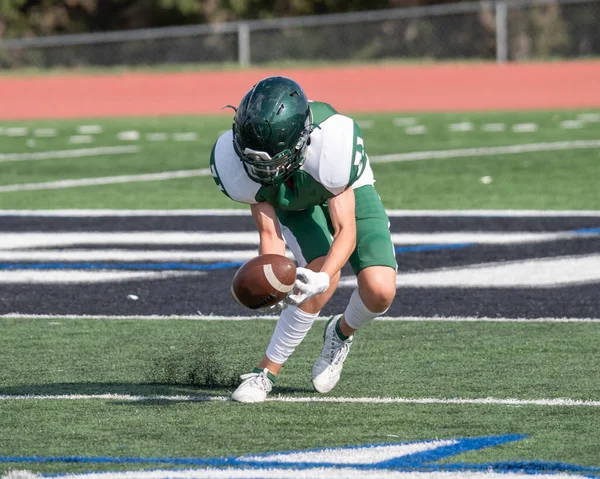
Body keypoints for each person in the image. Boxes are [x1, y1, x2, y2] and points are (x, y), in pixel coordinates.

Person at [210, 76, 397, 403]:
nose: (261, 169)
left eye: (272, 159)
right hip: (290, 201)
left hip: (342, 190)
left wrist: (323, 279)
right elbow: (270, 234)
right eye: (252, 159)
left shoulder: (332, 144)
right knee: (310, 272)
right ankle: (265, 373)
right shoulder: (233, 162)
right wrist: (275, 281)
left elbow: (346, 232)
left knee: (379, 290)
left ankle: (339, 334)